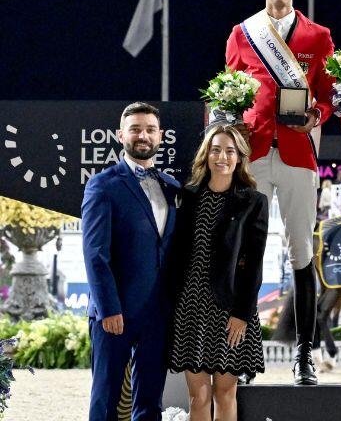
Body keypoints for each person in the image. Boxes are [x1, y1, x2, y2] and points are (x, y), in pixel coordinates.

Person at [224, 0, 335, 384]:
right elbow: (228, 92)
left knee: (301, 253)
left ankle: (304, 356)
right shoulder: (241, 34)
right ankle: (246, 354)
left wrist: (318, 115)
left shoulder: (319, 37)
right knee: (247, 252)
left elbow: (328, 95)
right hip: (253, 153)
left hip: (297, 154)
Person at [82, 102, 181, 421]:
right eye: (136, 129)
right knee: (106, 402)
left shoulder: (172, 187)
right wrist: (109, 308)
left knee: (150, 404)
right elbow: (95, 254)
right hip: (115, 313)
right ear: (120, 134)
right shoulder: (103, 184)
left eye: (150, 129)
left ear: (160, 136)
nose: (143, 135)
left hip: (158, 315)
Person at [168, 123, 269, 421]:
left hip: (231, 311)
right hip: (191, 308)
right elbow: (177, 254)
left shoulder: (253, 201)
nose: (221, 156)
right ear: (206, 155)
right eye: (215, 150)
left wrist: (242, 312)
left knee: (225, 394)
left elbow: (254, 263)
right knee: (197, 397)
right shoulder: (188, 197)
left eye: (229, 151)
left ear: (239, 157)